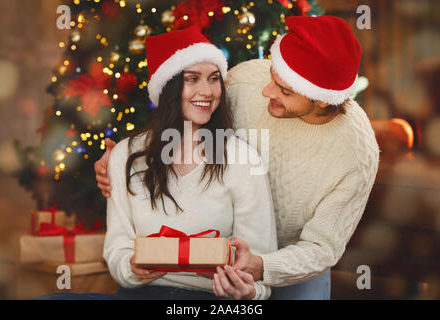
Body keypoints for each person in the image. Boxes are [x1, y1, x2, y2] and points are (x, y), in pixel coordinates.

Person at [96, 16, 380, 300]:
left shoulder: (355, 154)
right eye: (273, 76)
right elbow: (183, 101)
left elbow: (321, 247)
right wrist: (126, 156)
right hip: (232, 248)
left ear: (320, 99)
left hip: (294, 258)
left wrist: (259, 270)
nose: (266, 91)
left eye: (284, 90)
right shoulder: (245, 80)